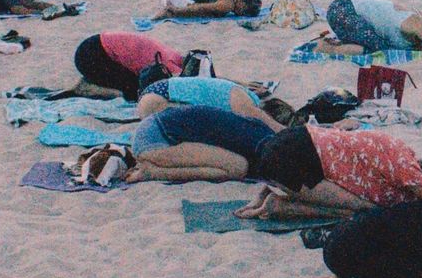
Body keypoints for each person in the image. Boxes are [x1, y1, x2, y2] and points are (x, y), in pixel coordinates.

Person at [242, 122, 422, 218]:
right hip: (292, 157)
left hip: (295, 141)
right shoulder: (404, 165)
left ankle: (272, 190)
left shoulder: (395, 153)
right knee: (361, 210)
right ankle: (280, 205)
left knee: (355, 205)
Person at [74, 103, 275, 186]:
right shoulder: (261, 141)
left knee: (237, 165)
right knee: (237, 167)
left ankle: (153, 168)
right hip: (156, 138)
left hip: (157, 130)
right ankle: (152, 173)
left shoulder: (259, 131)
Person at [66, 31, 187, 100]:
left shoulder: (173, 55)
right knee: (136, 94)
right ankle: (90, 88)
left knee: (139, 80)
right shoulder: (170, 65)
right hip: (93, 55)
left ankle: (92, 81)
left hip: (93, 46)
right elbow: (177, 86)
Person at [137, 73, 282, 126]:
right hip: (158, 99)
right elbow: (263, 120)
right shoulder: (246, 101)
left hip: (157, 93)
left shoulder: (237, 91)